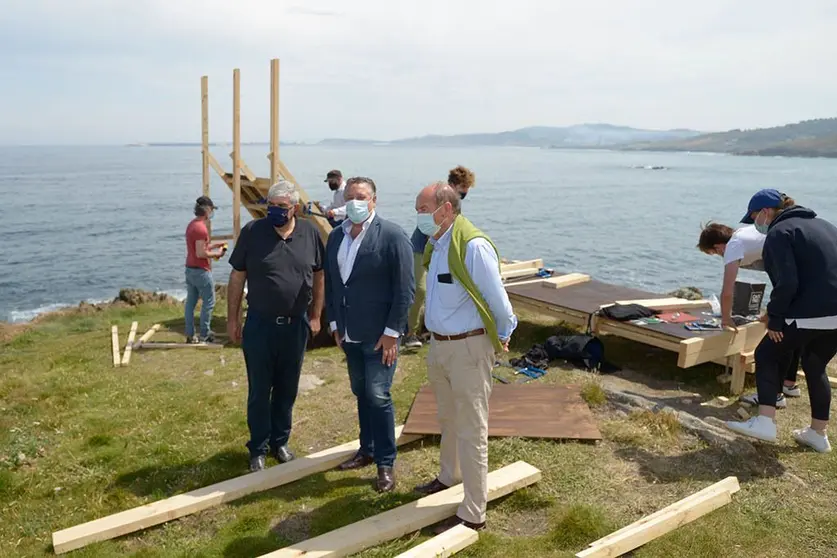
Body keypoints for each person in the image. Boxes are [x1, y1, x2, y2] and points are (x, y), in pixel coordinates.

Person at [412, 181, 518, 534]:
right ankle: (448, 477)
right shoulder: (437, 243)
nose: (418, 217)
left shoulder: (472, 245)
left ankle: (474, 512)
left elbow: (500, 303)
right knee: (448, 418)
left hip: (468, 349)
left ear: (446, 209)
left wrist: (502, 334)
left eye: (423, 210)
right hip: (441, 347)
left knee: (473, 430)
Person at [725, 189, 837, 453]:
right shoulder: (825, 226)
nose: (755, 223)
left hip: (810, 311)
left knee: (766, 354)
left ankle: (765, 420)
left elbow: (787, 282)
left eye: (754, 216)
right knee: (814, 364)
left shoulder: (779, 232)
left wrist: (775, 318)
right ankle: (818, 434)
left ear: (765, 211)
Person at [226, 180, 325, 471]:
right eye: (271, 206)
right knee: (259, 389)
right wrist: (234, 319)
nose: (276, 212)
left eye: (281, 207)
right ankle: (257, 446)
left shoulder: (309, 233)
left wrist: (316, 315)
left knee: (287, 387)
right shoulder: (252, 232)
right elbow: (237, 277)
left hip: (295, 326)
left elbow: (319, 275)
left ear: (294, 208)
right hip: (260, 325)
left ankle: (279, 442)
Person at [324, 176, 414, 492]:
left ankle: (386, 464)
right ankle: (367, 449)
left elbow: (405, 290)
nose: (355, 202)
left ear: (374, 200)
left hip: (380, 337)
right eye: (349, 197)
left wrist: (392, 333)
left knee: (378, 395)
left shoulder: (392, 236)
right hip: (349, 334)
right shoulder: (336, 237)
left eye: (361, 197)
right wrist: (334, 325)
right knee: (361, 393)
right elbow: (334, 285)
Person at [697, 222, 801, 407]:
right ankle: (789, 385)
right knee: (792, 332)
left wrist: (726, 318)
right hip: (804, 274)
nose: (720, 256)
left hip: (797, 280)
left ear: (719, 246)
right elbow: (779, 278)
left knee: (774, 344)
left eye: (715, 253)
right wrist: (770, 312)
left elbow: (727, 290)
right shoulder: (747, 235)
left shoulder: (733, 246)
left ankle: (774, 396)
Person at [405, 165, 476, 349]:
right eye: (462, 192)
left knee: (442, 286)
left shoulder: (454, 205)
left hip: (443, 250)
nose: (463, 196)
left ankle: (430, 329)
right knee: (420, 290)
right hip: (422, 249)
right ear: (453, 185)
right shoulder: (437, 198)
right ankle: (410, 332)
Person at [184, 196, 227, 343]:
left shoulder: (192, 225)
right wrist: (217, 254)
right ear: (207, 210)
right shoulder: (201, 228)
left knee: (191, 303)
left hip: (190, 269)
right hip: (201, 271)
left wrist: (215, 245)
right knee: (209, 302)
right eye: (211, 210)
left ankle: (190, 334)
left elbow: (199, 247)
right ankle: (205, 333)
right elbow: (201, 253)